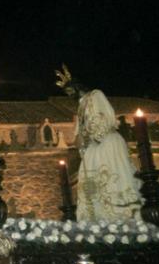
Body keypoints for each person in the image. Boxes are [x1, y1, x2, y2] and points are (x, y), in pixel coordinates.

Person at [56, 65, 142, 221]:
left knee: (114, 176)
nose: (69, 94)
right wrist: (80, 141)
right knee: (92, 185)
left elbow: (103, 120)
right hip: (92, 148)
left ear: (76, 86)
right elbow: (79, 133)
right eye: (66, 92)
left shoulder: (95, 95)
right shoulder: (80, 107)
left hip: (106, 142)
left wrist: (87, 135)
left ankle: (123, 213)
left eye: (69, 90)